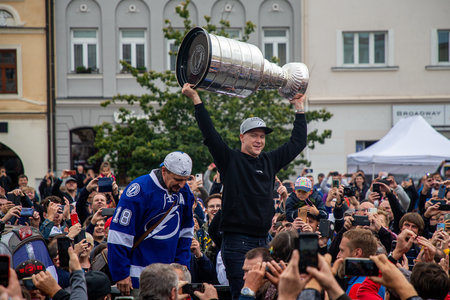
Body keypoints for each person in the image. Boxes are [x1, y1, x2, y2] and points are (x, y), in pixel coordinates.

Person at [182, 83, 307, 300]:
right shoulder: (230, 160)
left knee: (263, 294)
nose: (259, 140)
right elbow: (210, 134)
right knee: (242, 293)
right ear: (242, 137)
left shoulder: (269, 160)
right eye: (254, 135)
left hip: (263, 241)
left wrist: (299, 108)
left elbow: (298, 143)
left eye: (262, 136)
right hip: (237, 243)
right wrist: (196, 99)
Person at [107, 151, 195, 295]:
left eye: (185, 179)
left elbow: (186, 232)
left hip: (171, 277)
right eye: (178, 179)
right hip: (138, 275)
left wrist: (182, 266)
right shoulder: (140, 189)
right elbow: (120, 234)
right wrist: (120, 273)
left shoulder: (185, 192)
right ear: (164, 171)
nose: (182, 184)